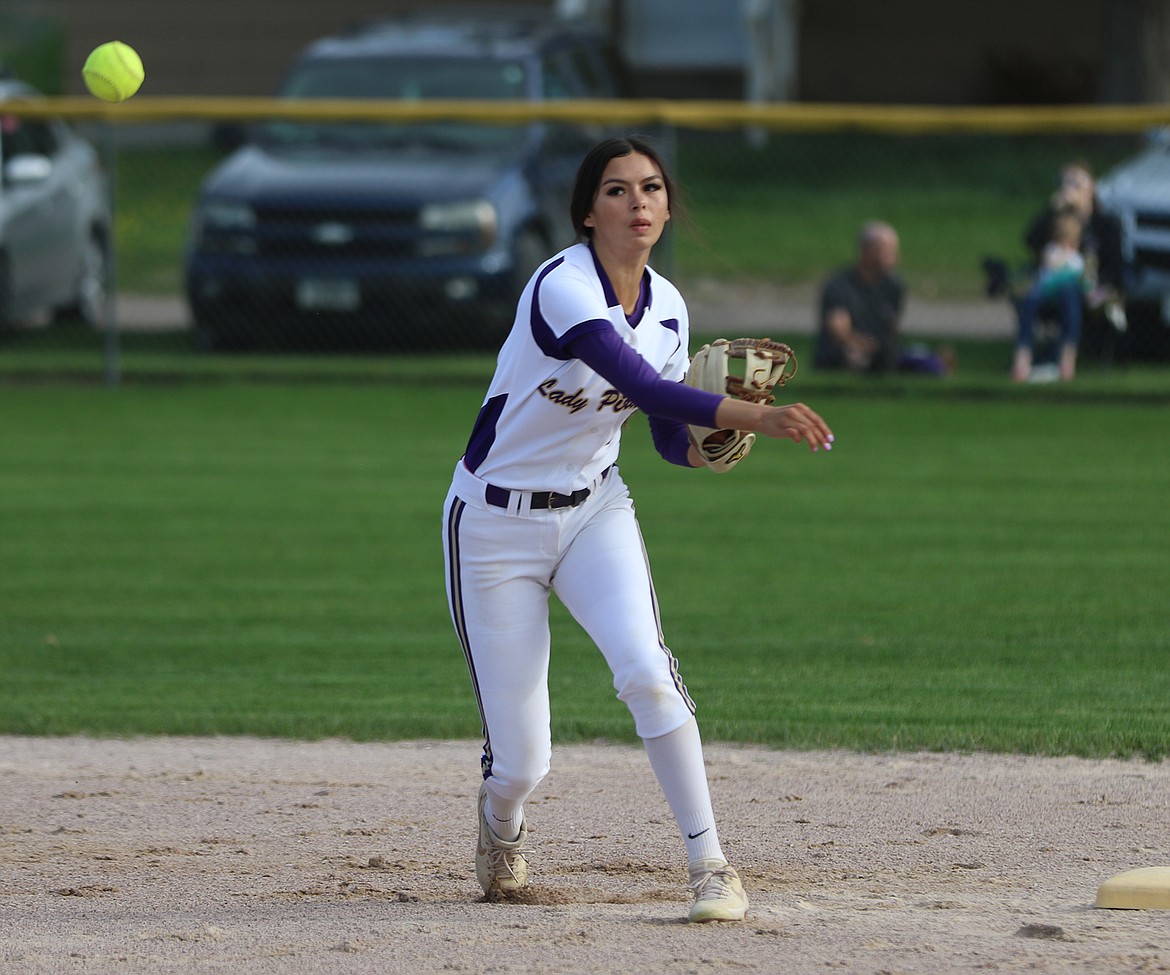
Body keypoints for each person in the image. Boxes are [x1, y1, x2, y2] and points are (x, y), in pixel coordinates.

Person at [441, 136, 834, 924]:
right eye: (617, 190)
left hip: (594, 510)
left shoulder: (671, 306)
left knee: (648, 670)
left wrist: (707, 445)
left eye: (651, 187)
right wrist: (759, 413)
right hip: (493, 524)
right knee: (523, 761)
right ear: (589, 212)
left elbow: (659, 428)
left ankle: (710, 862)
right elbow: (637, 380)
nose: (639, 202)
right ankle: (500, 824)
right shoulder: (562, 285)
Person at [1011, 161, 1125, 382]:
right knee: (1031, 297)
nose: (1071, 188)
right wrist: (1053, 210)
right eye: (1066, 183)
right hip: (1048, 285)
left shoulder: (1105, 224)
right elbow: (1031, 240)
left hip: (1088, 290)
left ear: (1092, 189)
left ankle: (1066, 361)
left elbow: (1114, 267)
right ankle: (1021, 360)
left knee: (1068, 291)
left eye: (1077, 183)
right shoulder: (1056, 220)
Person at [814, 221, 951, 376]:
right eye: (887, 251)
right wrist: (865, 344)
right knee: (853, 354)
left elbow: (891, 329)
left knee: (925, 361)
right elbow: (839, 331)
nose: (894, 257)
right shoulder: (839, 285)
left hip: (879, 352)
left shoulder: (894, 286)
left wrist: (883, 348)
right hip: (845, 352)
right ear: (866, 251)